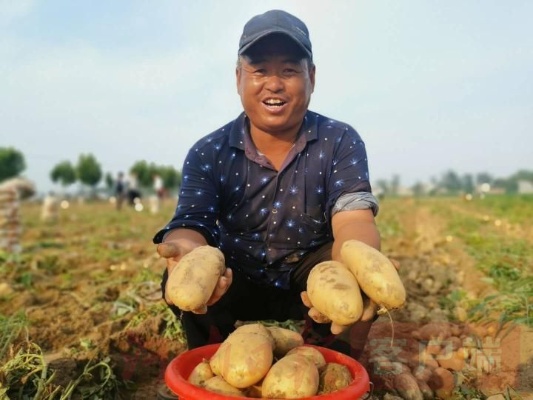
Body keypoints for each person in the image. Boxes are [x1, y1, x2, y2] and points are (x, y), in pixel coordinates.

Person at [153, 9, 392, 362]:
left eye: (289, 70)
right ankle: (211, 362)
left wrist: (359, 267)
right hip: (235, 280)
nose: (274, 84)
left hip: (309, 283)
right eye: (260, 70)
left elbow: (353, 220)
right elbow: (193, 222)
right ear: (238, 78)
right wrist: (185, 254)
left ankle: (339, 360)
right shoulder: (209, 152)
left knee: (351, 273)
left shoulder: (339, 141)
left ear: (311, 76)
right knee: (193, 273)